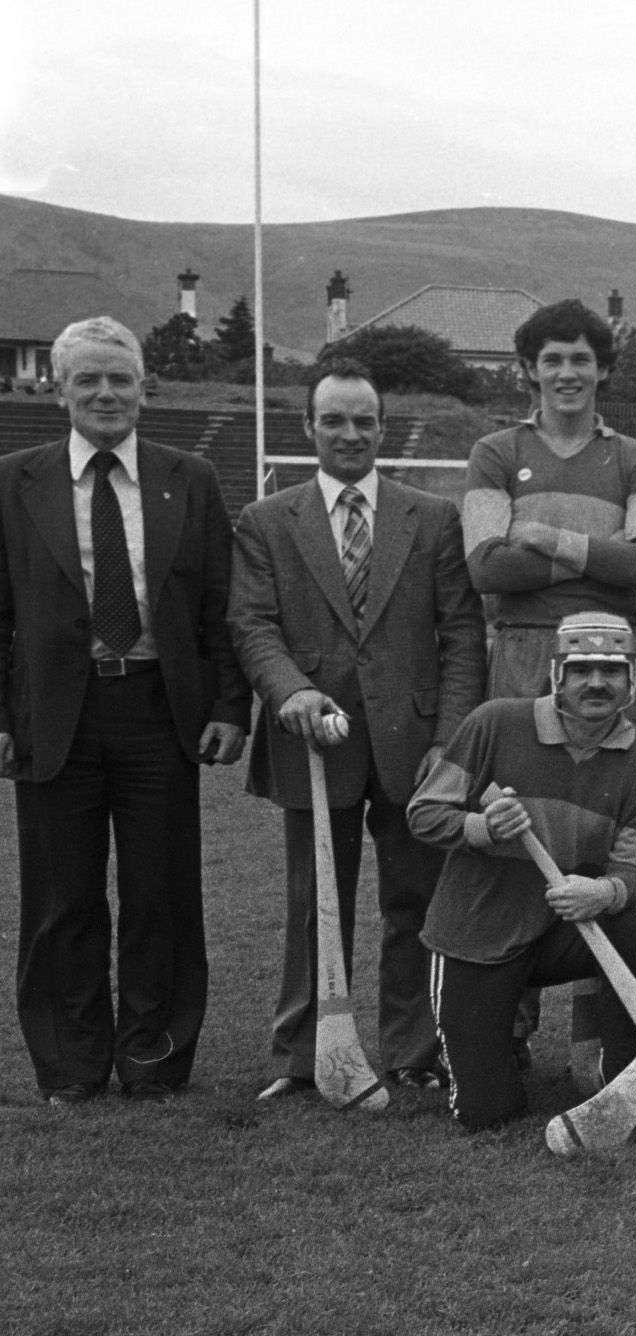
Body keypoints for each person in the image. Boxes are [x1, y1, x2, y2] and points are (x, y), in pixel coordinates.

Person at [0, 317, 249, 1102]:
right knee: (61, 897)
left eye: (121, 379)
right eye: (88, 380)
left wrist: (229, 704)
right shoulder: (15, 479)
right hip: (53, 713)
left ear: (144, 388)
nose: (106, 393)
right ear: (60, 390)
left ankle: (154, 1056)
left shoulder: (191, 477)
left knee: (160, 894)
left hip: (157, 711)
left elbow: (220, 605)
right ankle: (70, 1065)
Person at [230, 359, 486, 1103]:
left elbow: (463, 636)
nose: (350, 434)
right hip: (314, 740)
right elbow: (251, 623)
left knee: (415, 900)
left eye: (363, 421)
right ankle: (305, 1053)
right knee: (317, 901)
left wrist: (451, 740)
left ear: (383, 429)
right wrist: (291, 692)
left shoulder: (431, 517)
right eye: (334, 420)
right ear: (308, 427)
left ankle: (414, 1046)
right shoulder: (267, 520)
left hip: (415, 745)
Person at [405, 613, 636, 1133]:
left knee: (631, 930)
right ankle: (489, 1056)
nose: (597, 683)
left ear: (632, 680)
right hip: (476, 935)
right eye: (582, 670)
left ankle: (626, 1083)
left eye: (612, 670)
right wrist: (482, 827)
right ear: (558, 675)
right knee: (488, 1113)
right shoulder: (495, 722)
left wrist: (604, 891)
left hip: (560, 930)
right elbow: (424, 813)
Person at [461, 298, 636, 720]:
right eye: (552, 360)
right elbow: (487, 569)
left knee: (614, 781)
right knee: (518, 784)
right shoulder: (494, 453)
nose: (567, 373)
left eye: (581, 360)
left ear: (603, 368)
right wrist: (602, 554)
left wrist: (546, 539)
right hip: (524, 647)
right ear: (530, 369)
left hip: (613, 650)